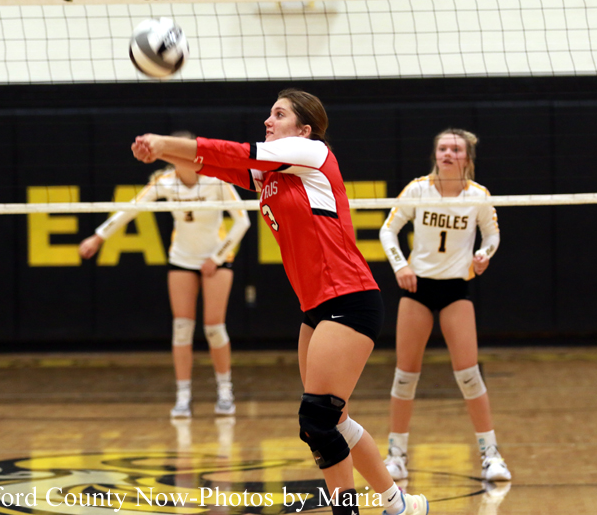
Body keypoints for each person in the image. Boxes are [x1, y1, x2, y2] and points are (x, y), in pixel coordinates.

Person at [130, 89, 429, 515]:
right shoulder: (273, 175)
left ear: (304, 129)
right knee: (332, 420)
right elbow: (218, 165)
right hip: (317, 306)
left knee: (317, 420)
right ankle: (399, 504)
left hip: (350, 297)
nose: (268, 121)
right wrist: (165, 156)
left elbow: (233, 151)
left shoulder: (312, 152)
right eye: (269, 114)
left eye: (279, 114)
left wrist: (164, 141)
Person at [80, 131, 251, 419]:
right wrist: (99, 237)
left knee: (213, 328)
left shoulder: (216, 180)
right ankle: (183, 396)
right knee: (181, 328)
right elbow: (131, 209)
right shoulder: (164, 182)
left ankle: (225, 392)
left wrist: (217, 257)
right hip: (182, 259)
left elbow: (242, 221)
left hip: (216, 259)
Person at [379, 129, 511, 482]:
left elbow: (492, 234)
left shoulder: (478, 195)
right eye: (442, 148)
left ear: (467, 158)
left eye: (455, 149)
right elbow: (388, 231)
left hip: (455, 289)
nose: (448, 154)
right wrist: (400, 265)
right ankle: (396, 456)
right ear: (435, 154)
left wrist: (484, 254)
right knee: (405, 376)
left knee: (469, 375)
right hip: (417, 288)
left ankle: (491, 456)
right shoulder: (417, 189)